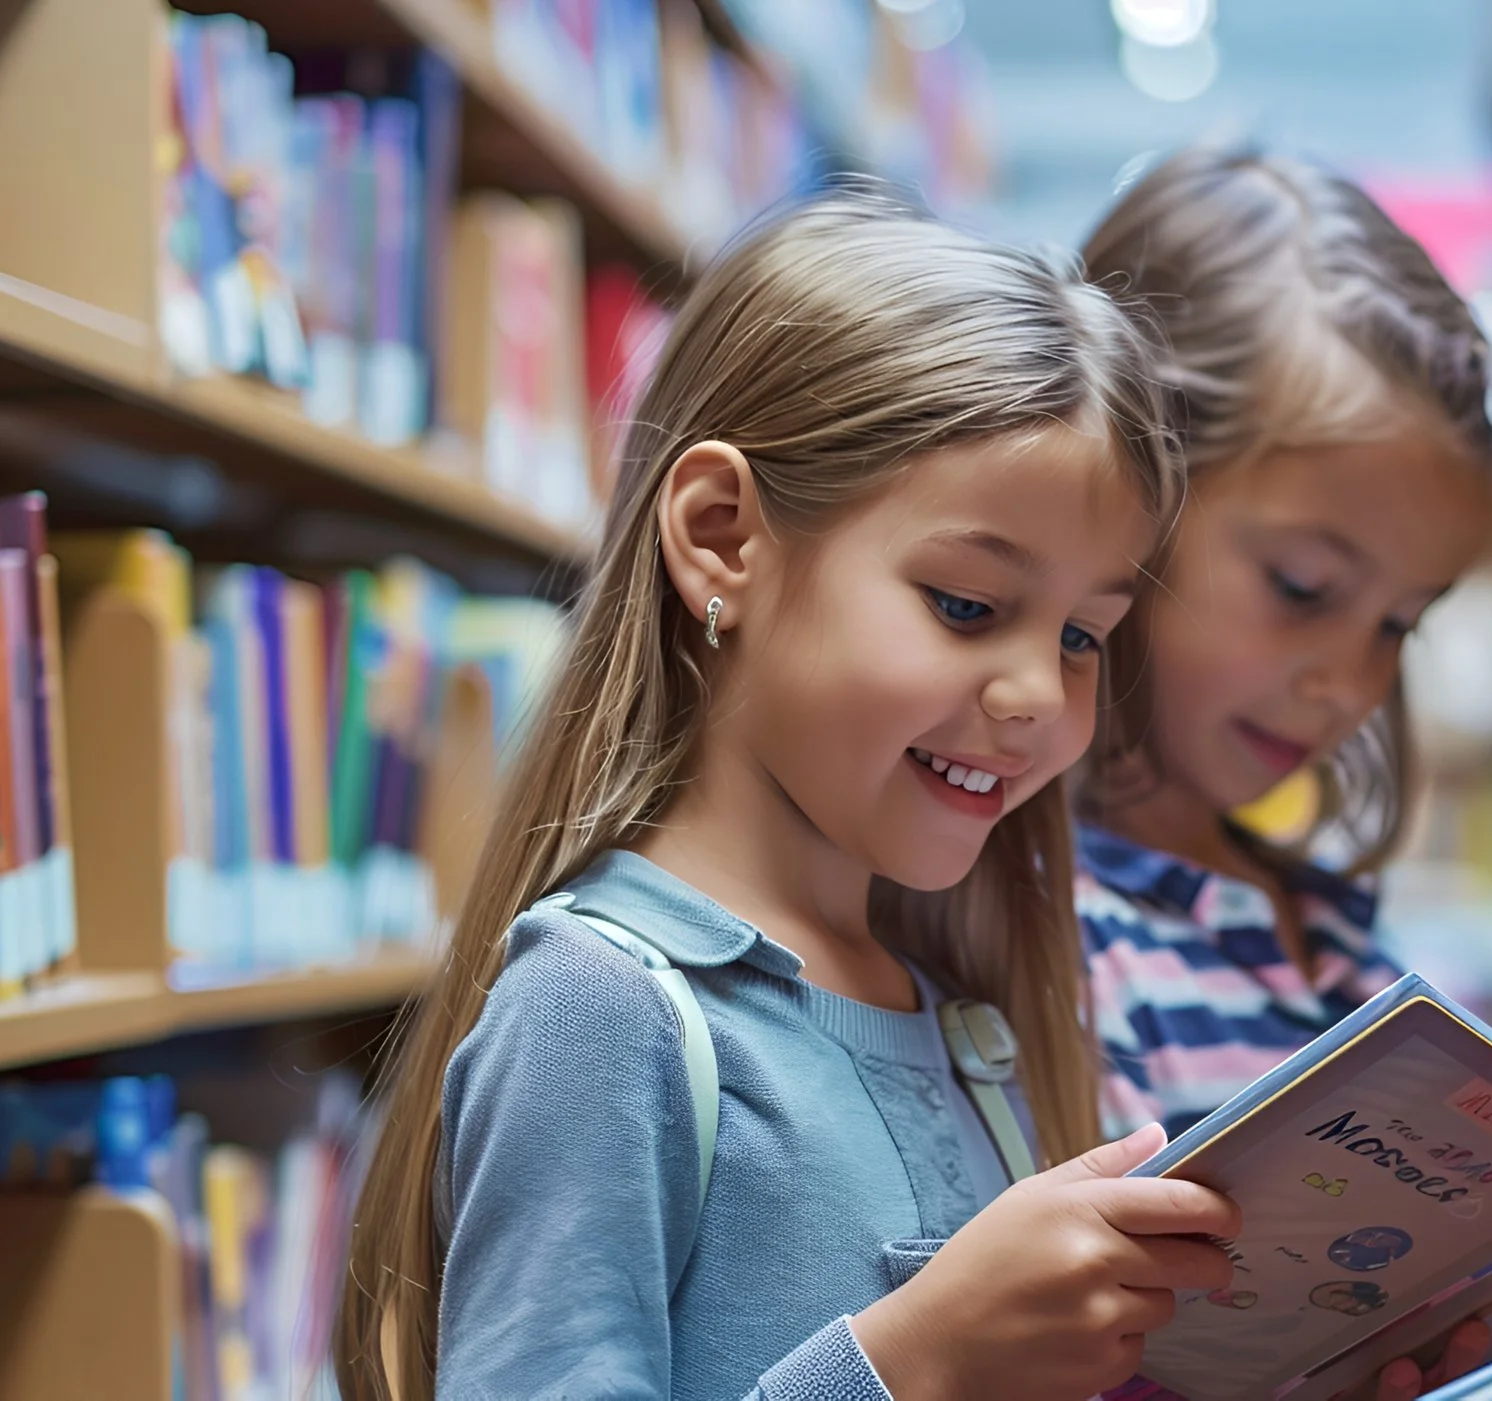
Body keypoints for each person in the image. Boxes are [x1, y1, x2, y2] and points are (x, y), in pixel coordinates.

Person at [334, 189, 1235, 1401]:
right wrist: (911, 1364)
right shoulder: (602, 1011)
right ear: (721, 538)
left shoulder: (962, 1022)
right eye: (966, 605)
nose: (1036, 694)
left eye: (1082, 635)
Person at [1075, 148, 1492, 1397]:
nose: (1350, 683)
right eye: (1302, 591)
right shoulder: (1030, 933)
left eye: (1399, 622)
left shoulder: (1315, 910)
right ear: (1129, 492)